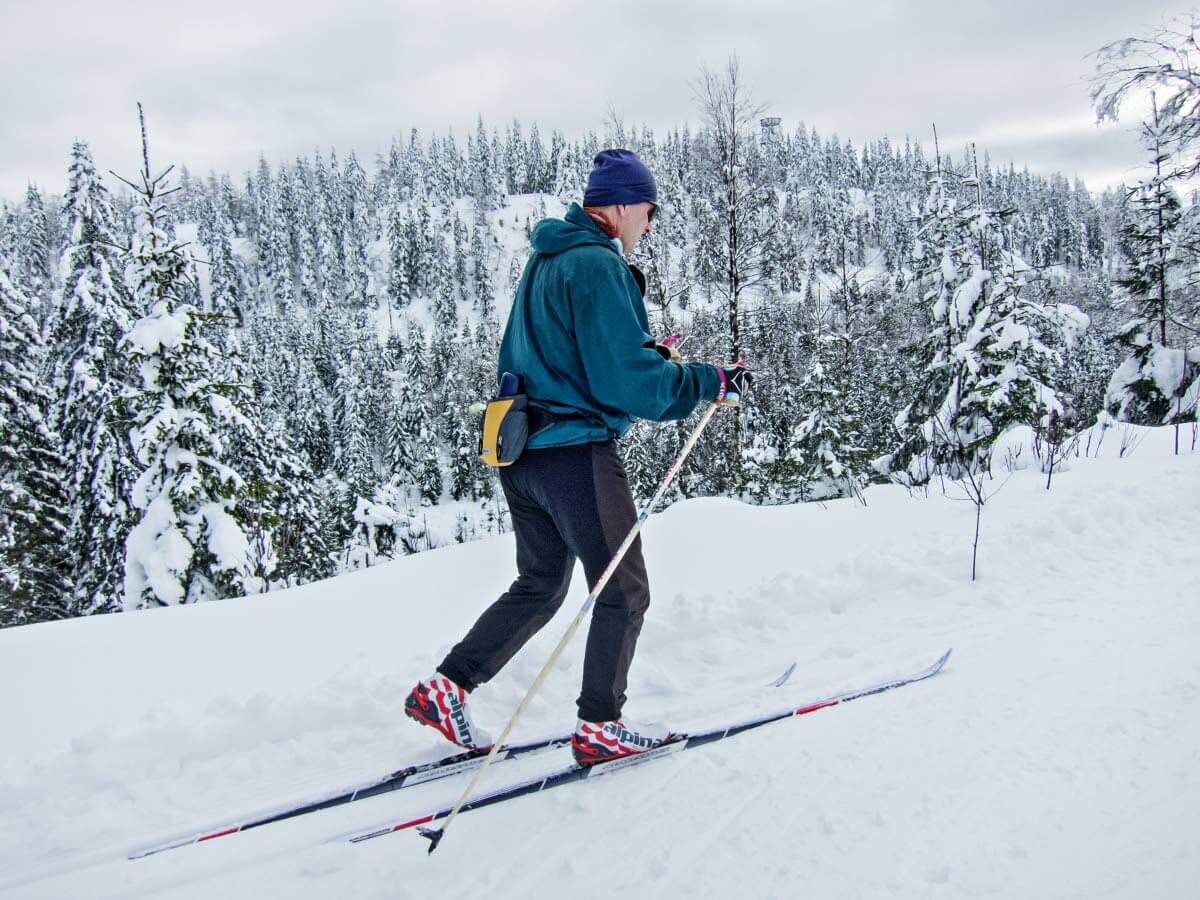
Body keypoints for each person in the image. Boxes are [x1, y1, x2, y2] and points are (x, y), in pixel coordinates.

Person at [405, 149, 751, 764]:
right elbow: (628, 383)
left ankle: (446, 688)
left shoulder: (549, 257)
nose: (650, 224)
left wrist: (647, 357)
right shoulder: (596, 264)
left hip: (522, 449)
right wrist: (707, 380)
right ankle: (600, 725)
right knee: (624, 587)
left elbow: (566, 356)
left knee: (541, 583)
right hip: (573, 453)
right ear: (621, 205)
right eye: (649, 211)